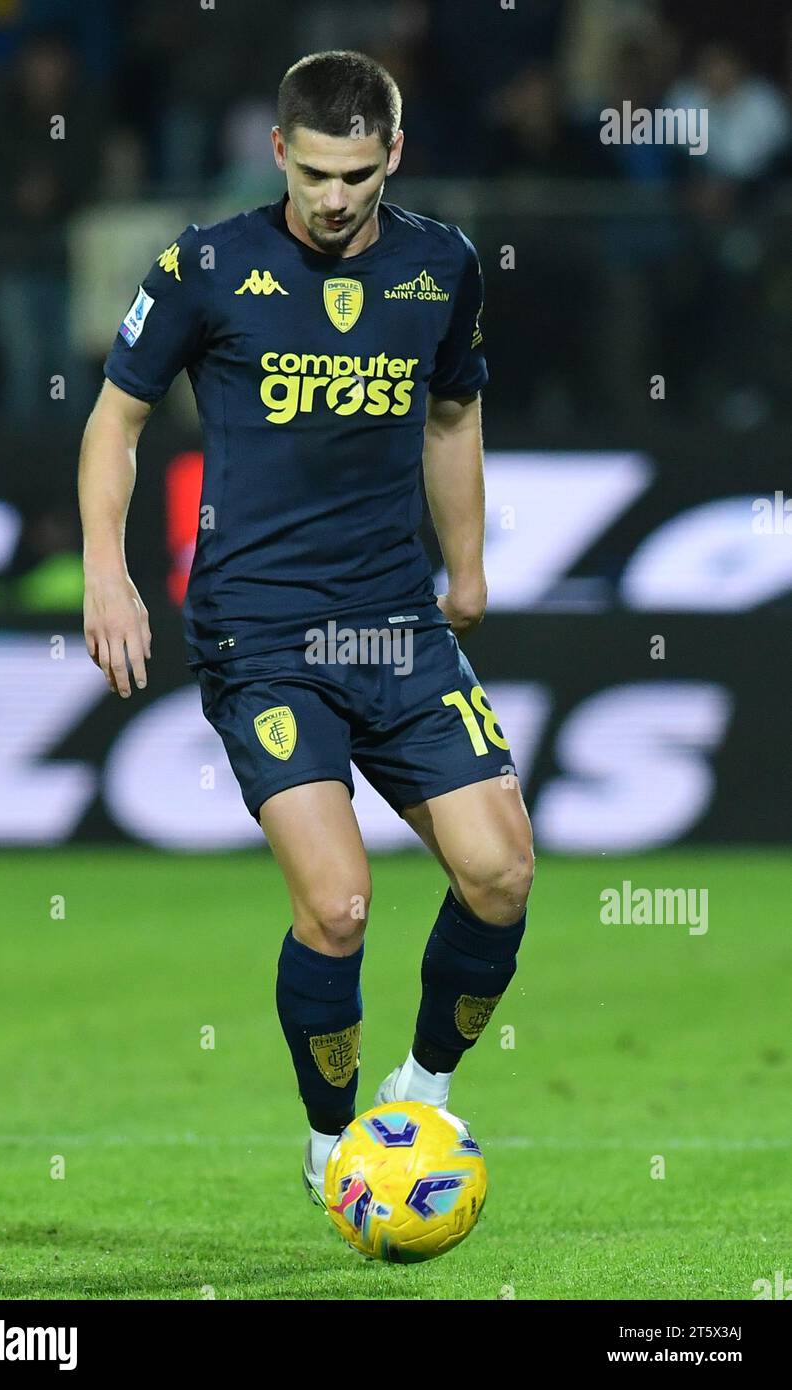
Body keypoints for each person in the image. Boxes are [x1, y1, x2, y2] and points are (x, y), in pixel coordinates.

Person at [78, 50, 534, 1208]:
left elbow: (451, 409)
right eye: (315, 173)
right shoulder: (208, 264)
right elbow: (115, 420)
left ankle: (420, 1087)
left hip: (393, 624)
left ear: (394, 157)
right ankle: (335, 1139)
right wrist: (107, 574)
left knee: (500, 872)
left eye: (357, 177)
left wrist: (467, 566)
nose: (334, 200)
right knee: (336, 904)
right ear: (279, 150)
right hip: (261, 633)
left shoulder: (443, 268)